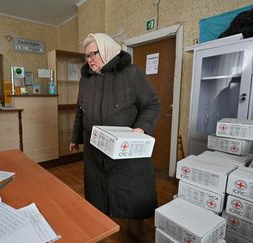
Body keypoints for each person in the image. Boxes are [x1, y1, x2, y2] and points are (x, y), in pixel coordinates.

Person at [70, 33, 161, 240]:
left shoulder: (132, 73)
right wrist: (76, 137)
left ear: (108, 50)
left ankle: (135, 234)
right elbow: (80, 111)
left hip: (127, 156)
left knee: (133, 202)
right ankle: (106, 231)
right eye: (87, 55)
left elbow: (152, 105)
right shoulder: (86, 79)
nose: (89, 59)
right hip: (95, 153)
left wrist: (141, 129)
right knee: (99, 199)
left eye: (94, 53)